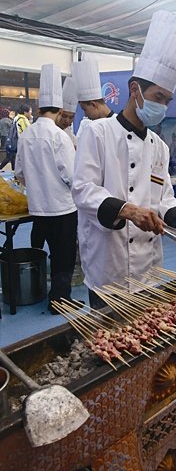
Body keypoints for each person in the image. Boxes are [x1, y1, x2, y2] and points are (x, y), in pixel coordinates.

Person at [72, 9, 176, 309]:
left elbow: (164, 199)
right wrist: (129, 210)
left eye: (167, 101)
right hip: (109, 264)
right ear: (135, 90)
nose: (163, 107)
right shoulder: (98, 133)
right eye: (158, 97)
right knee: (108, 346)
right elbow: (83, 190)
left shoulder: (159, 146)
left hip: (149, 270)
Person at [15, 64, 78, 314]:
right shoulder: (59, 136)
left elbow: (19, 172)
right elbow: (72, 177)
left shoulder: (26, 134)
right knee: (63, 258)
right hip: (62, 209)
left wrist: (38, 186)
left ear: (39, 107)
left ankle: (42, 292)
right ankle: (59, 302)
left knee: (41, 251)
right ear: (60, 109)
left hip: (38, 210)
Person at [71, 59, 114, 139]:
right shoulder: (91, 126)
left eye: (85, 110)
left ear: (93, 105)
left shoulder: (118, 125)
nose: (85, 115)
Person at [56, 77, 78, 148]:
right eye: (64, 116)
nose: (67, 121)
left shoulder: (69, 133)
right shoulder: (50, 131)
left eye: (71, 117)